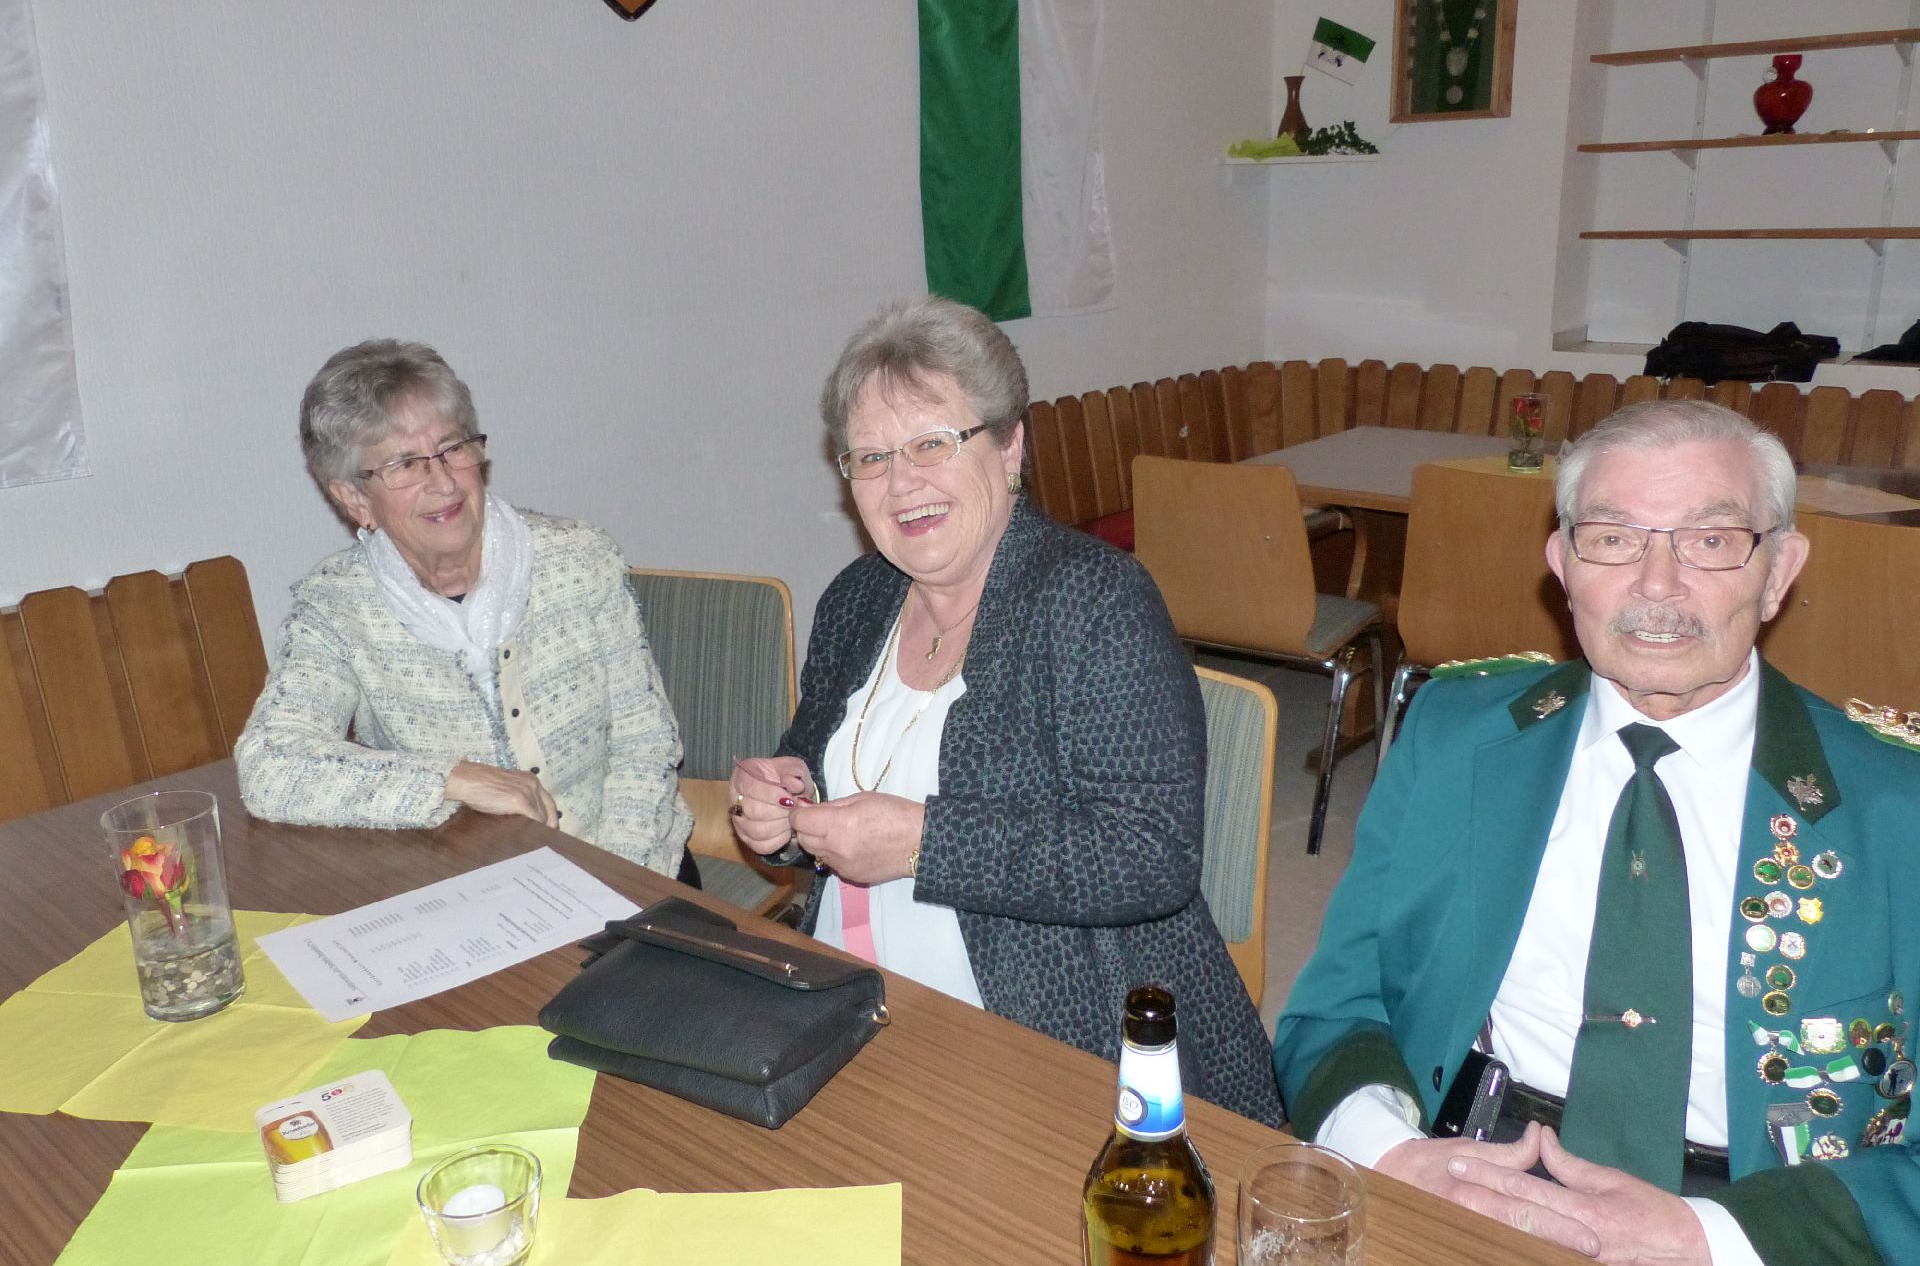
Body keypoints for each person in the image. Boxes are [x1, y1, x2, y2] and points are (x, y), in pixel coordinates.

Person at [1272, 399, 1918, 1265]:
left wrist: (1710, 1234)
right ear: (1563, 565)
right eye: (1613, 538)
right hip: (1469, 1170)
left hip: (1752, 1217)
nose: (1657, 584)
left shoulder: (1895, 804)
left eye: (1710, 540)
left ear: (1779, 570)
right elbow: (1334, 1008)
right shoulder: (1456, 736)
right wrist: (1394, 1155)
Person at [728, 296, 1282, 1125]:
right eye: (872, 457)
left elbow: (1151, 854)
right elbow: (817, 769)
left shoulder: (1096, 600)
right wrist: (782, 804)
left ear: (1010, 446)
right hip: (855, 1006)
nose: (902, 482)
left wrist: (922, 842)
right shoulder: (857, 598)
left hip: (1052, 1034)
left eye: (932, 444)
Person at [236, 339, 695, 880]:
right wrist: (454, 778)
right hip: (473, 890)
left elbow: (645, 745)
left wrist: (612, 881)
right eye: (406, 464)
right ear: (355, 499)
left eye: (452, 448)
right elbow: (270, 765)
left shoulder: (580, 560)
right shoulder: (337, 606)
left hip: (631, 866)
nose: (444, 482)